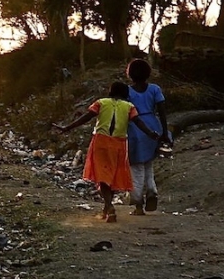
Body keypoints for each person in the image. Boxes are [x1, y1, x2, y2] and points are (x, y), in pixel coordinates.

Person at [54, 82, 160, 222]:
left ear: (110, 91)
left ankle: (109, 207)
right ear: (126, 94)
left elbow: (86, 117)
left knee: (103, 176)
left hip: (100, 143)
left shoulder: (100, 102)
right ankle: (107, 208)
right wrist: (150, 133)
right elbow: (138, 122)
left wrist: (67, 128)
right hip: (119, 144)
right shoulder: (129, 107)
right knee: (113, 176)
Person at [126, 59, 170, 215]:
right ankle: (152, 191)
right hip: (153, 125)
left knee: (136, 167)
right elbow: (163, 112)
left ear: (130, 74)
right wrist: (165, 132)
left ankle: (138, 204)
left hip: (135, 128)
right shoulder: (154, 89)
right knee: (148, 164)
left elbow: (124, 112)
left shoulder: (128, 91)